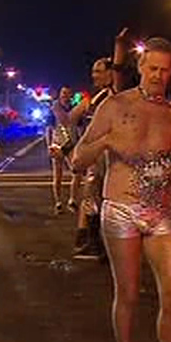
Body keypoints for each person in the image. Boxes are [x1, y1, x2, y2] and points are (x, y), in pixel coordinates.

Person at [71, 37, 171, 342]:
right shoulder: (115, 105)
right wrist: (108, 141)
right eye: (152, 68)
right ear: (141, 66)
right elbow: (78, 159)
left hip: (161, 212)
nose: (158, 76)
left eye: (164, 70)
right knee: (127, 293)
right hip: (121, 209)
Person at [68, 57, 116, 258]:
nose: (93, 75)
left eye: (98, 71)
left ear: (110, 73)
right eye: (93, 71)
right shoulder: (96, 98)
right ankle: (92, 240)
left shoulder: (115, 95)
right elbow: (72, 117)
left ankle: (94, 240)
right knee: (92, 196)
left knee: (101, 197)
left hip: (112, 156)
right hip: (98, 156)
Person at [49, 85, 77, 214]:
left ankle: (72, 200)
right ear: (60, 94)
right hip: (57, 144)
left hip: (71, 143)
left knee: (76, 172)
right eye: (63, 93)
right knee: (58, 175)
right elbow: (49, 128)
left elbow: (80, 127)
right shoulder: (54, 108)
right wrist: (49, 145)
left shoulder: (74, 108)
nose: (65, 95)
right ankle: (58, 202)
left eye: (68, 93)